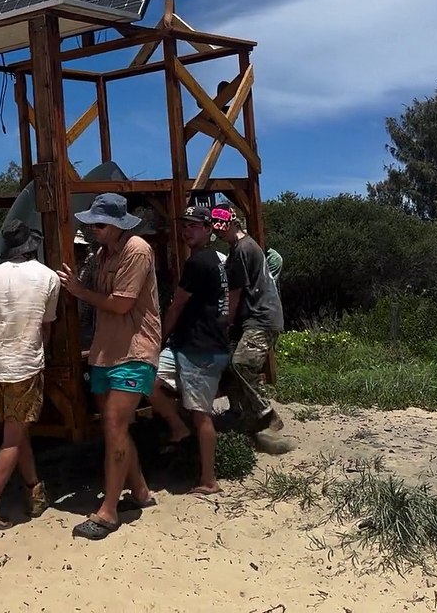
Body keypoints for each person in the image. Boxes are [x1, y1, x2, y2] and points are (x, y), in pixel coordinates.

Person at [57, 193, 161, 540]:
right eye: (91, 223)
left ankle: (108, 512)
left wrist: (79, 292)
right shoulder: (102, 254)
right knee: (115, 429)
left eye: (99, 224)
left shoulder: (137, 251)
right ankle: (141, 493)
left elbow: (120, 304)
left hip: (133, 350)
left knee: (115, 426)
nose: (93, 229)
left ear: (117, 225)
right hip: (106, 351)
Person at [0, 221, 59, 534]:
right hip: (23, 364)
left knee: (16, 430)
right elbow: (46, 326)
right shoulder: (48, 277)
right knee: (12, 437)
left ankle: (34, 491)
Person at [162, 206, 232, 494]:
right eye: (184, 225)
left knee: (201, 413)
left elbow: (177, 304)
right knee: (147, 378)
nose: (186, 230)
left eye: (193, 226)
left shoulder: (198, 263)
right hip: (196, 343)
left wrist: (160, 335)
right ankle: (177, 428)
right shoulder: (220, 260)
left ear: (208, 229)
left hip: (200, 348)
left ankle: (208, 479)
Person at [211, 204, 289, 450]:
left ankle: (265, 412)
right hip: (255, 316)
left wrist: (227, 320)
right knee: (231, 365)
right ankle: (247, 420)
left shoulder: (242, 249)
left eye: (223, 225)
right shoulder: (240, 248)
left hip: (261, 317)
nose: (220, 231)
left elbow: (235, 293)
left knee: (242, 363)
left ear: (234, 222)